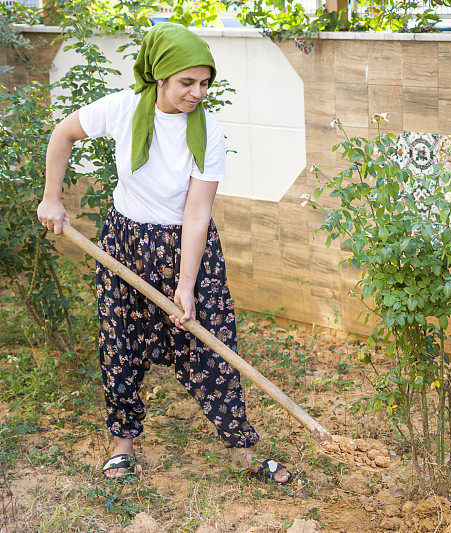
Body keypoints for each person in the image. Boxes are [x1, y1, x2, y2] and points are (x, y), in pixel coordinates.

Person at [36, 22, 292, 484]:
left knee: (213, 346)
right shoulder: (122, 108)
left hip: (184, 246)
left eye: (205, 83)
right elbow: (62, 135)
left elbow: (197, 213)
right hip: (126, 242)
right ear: (160, 77)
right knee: (119, 342)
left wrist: (186, 285)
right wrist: (52, 197)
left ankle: (241, 450)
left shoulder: (208, 132)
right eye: (187, 83)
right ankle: (122, 445)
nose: (197, 93)